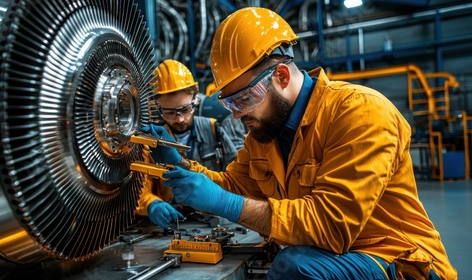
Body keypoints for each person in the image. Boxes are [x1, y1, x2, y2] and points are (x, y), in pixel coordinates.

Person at [141, 7, 457, 279]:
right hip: (330, 254)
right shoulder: (263, 136)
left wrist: (226, 205)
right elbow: (231, 187)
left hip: (396, 261)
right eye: (230, 104)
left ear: (281, 76)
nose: (238, 115)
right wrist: (181, 164)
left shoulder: (358, 112)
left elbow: (331, 226)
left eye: (245, 99)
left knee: (296, 269)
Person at [135, 59, 243, 229]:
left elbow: (238, 177)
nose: (179, 119)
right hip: (174, 222)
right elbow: (140, 187)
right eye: (170, 112)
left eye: (185, 110)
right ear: (157, 108)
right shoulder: (152, 142)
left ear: (195, 99)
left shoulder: (213, 129)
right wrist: (151, 204)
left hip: (216, 220)